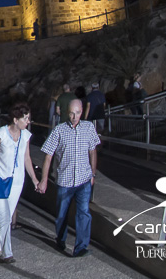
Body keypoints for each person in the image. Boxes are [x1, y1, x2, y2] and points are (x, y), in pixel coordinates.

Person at [36, 99, 100, 258]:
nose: (74, 116)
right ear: (67, 113)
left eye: (77, 113)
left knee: (83, 213)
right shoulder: (58, 130)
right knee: (62, 215)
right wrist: (44, 179)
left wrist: (93, 174)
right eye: (71, 113)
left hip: (84, 179)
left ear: (82, 111)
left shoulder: (88, 128)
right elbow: (48, 156)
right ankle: (61, 238)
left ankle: (81, 247)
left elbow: (93, 151)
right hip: (65, 181)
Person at [0, 103, 40, 264]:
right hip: (0, 180)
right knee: (5, 218)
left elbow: (27, 158)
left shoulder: (26, 136)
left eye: (28, 118)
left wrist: (34, 179)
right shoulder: (1, 134)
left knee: (7, 216)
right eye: (25, 118)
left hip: (17, 182)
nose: (28, 121)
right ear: (15, 119)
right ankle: (7, 253)